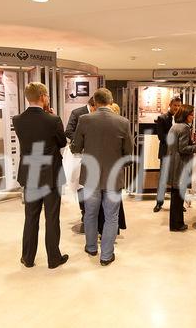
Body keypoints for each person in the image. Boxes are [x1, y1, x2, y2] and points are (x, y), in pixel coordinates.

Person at [71, 88, 133, 266]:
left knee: (90, 214)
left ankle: (91, 247)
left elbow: (76, 148)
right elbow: (128, 152)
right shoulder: (123, 122)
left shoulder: (84, 120)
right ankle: (106, 255)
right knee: (111, 216)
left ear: (95, 102)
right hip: (113, 176)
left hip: (90, 176)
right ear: (111, 100)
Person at [12, 82, 69, 269]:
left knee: (31, 217)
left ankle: (27, 258)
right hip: (51, 174)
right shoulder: (53, 120)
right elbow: (61, 142)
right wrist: (51, 115)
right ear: (43, 97)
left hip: (30, 173)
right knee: (52, 217)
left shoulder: (18, 119)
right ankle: (54, 259)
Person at [166, 104, 196, 232]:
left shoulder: (175, 126)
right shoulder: (185, 128)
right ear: (186, 115)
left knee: (176, 196)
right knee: (178, 198)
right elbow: (183, 148)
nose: (193, 117)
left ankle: (176, 223)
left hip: (173, 164)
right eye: (191, 114)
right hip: (181, 165)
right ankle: (177, 224)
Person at [64, 97, 96, 224]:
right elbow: (68, 131)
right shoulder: (77, 113)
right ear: (93, 105)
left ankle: (92, 213)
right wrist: (82, 142)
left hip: (95, 154)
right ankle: (84, 212)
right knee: (80, 184)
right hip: (79, 155)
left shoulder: (98, 115)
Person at [98, 103, 127, 236]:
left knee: (104, 209)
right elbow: (127, 151)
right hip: (114, 173)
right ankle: (111, 231)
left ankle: (104, 231)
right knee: (112, 210)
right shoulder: (121, 125)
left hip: (102, 173)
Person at [154, 97, 182, 213]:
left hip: (178, 154)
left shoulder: (181, 119)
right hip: (166, 153)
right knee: (163, 179)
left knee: (178, 179)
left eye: (179, 105)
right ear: (170, 105)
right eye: (175, 105)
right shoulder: (162, 118)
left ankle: (178, 204)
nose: (177, 107)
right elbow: (161, 137)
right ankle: (159, 203)